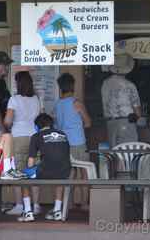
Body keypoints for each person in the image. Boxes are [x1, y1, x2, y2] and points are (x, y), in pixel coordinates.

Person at [17, 113, 71, 222]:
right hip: (65, 171)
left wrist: (29, 172)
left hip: (45, 171)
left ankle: (27, 212)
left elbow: (31, 162)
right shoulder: (63, 134)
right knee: (60, 178)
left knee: (23, 178)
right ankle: (57, 211)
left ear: (37, 126)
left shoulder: (36, 136)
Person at [4, 71, 41, 216]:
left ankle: (20, 205)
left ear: (18, 83)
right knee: (34, 172)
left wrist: (6, 126)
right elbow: (39, 118)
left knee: (18, 172)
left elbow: (8, 121)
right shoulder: (36, 99)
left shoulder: (14, 99)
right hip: (34, 137)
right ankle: (36, 205)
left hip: (18, 137)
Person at [54, 73, 91, 209]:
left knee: (68, 174)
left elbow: (56, 125)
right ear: (72, 86)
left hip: (64, 144)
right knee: (84, 173)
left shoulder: (57, 105)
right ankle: (84, 203)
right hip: (78, 142)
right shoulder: (77, 103)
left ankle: (67, 204)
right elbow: (88, 123)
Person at [101, 54, 141, 148]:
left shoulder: (105, 84)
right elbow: (138, 112)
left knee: (115, 156)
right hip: (126, 123)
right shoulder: (129, 85)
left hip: (110, 124)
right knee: (127, 155)